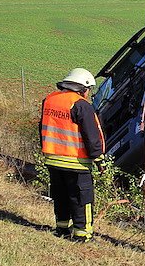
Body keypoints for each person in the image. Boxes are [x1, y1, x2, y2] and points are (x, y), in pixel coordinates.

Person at [40, 68, 104, 242]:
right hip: (77, 162)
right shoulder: (81, 105)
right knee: (81, 199)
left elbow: (43, 128)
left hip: (53, 159)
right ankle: (83, 235)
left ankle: (61, 229)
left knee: (60, 195)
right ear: (83, 88)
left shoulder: (50, 100)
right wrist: (99, 159)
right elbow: (91, 135)